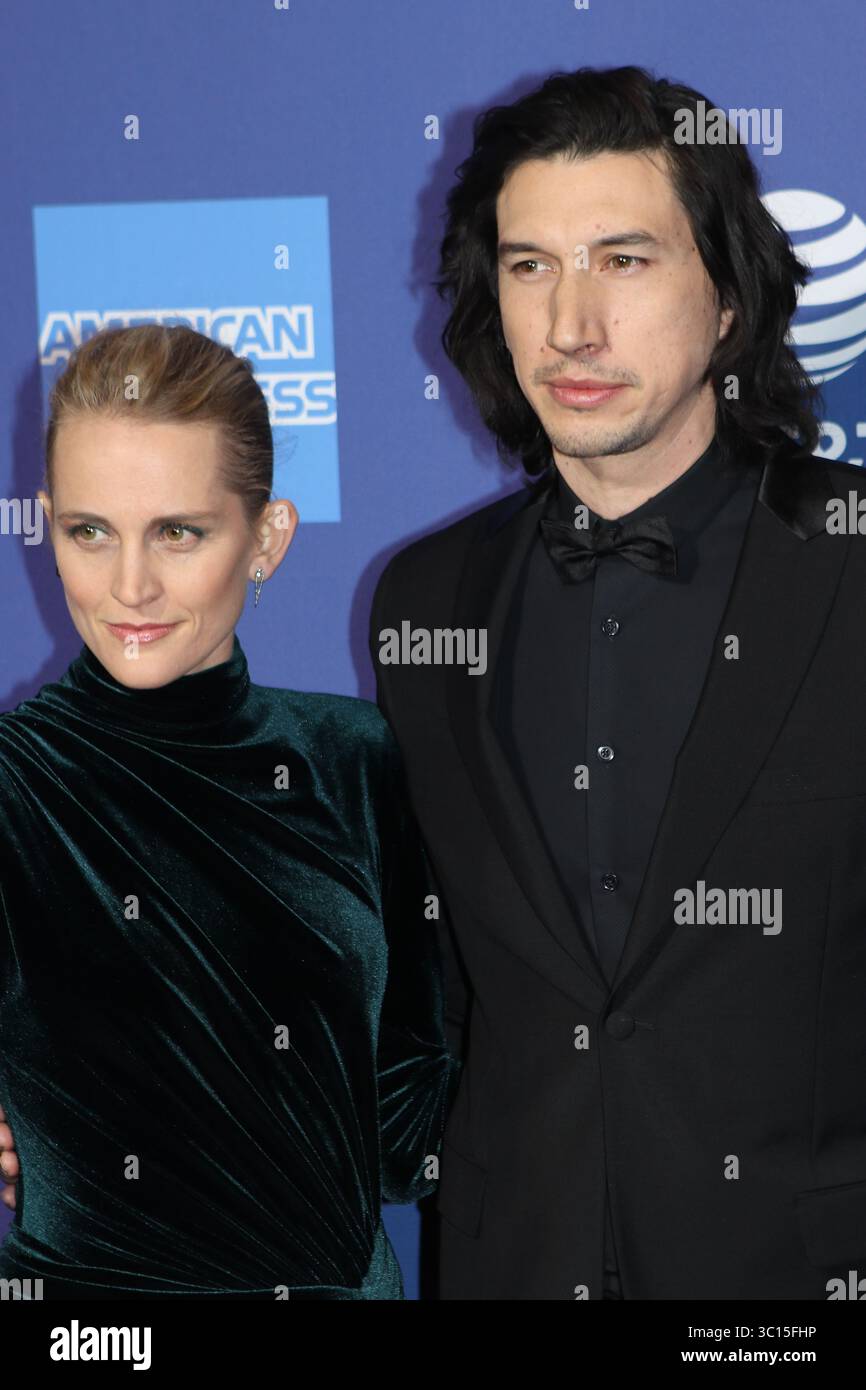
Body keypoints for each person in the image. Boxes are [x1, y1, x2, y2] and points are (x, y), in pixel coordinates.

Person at [369, 64, 866, 1299]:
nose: (568, 324)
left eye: (624, 260)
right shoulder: (423, 602)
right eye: (529, 265)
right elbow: (400, 988)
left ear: (730, 300)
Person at [0, 323, 457, 1299]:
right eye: (91, 531)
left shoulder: (353, 758)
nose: (130, 585)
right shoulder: (14, 785)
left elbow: (407, 1127)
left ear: (267, 537)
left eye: (178, 530)